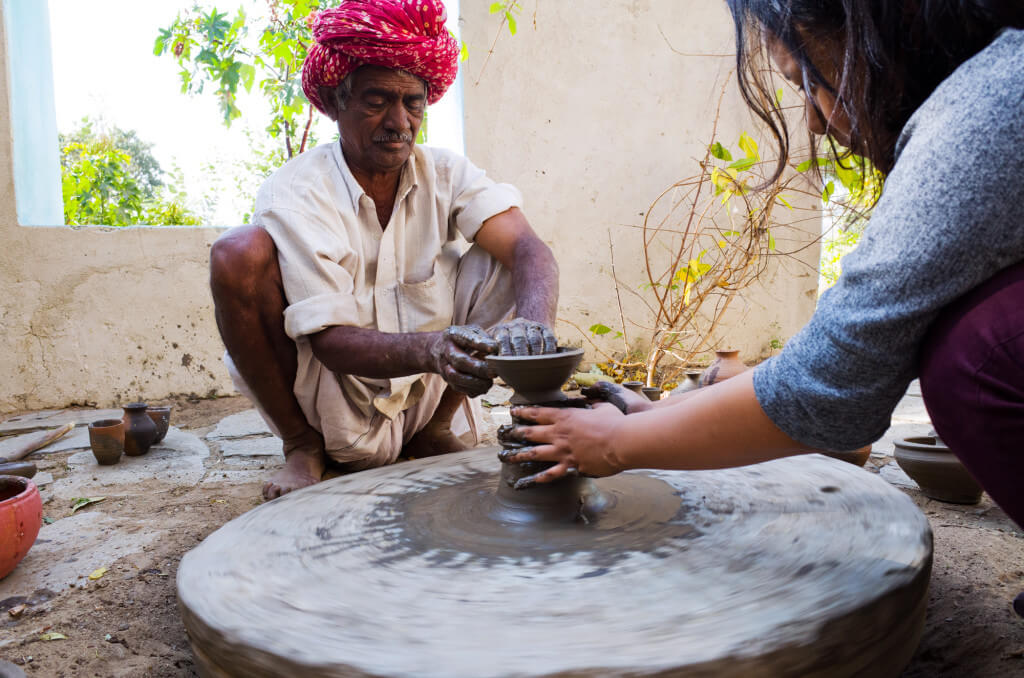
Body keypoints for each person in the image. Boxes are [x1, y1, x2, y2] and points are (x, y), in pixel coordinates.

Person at [502, 0, 1024, 537]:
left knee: (979, 353)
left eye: (807, 82)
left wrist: (613, 445)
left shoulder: (990, 110)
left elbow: (835, 381)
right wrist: (646, 417)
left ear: (878, 34)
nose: (816, 122)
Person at [210, 0, 559, 500]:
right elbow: (330, 342)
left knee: (502, 258)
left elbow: (529, 249)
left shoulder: (445, 172)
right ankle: (301, 445)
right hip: (334, 403)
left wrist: (535, 328)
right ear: (335, 104)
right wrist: (434, 349)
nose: (399, 122)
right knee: (237, 253)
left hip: (426, 391)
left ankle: (432, 429)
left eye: (412, 102)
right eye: (377, 101)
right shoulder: (297, 191)